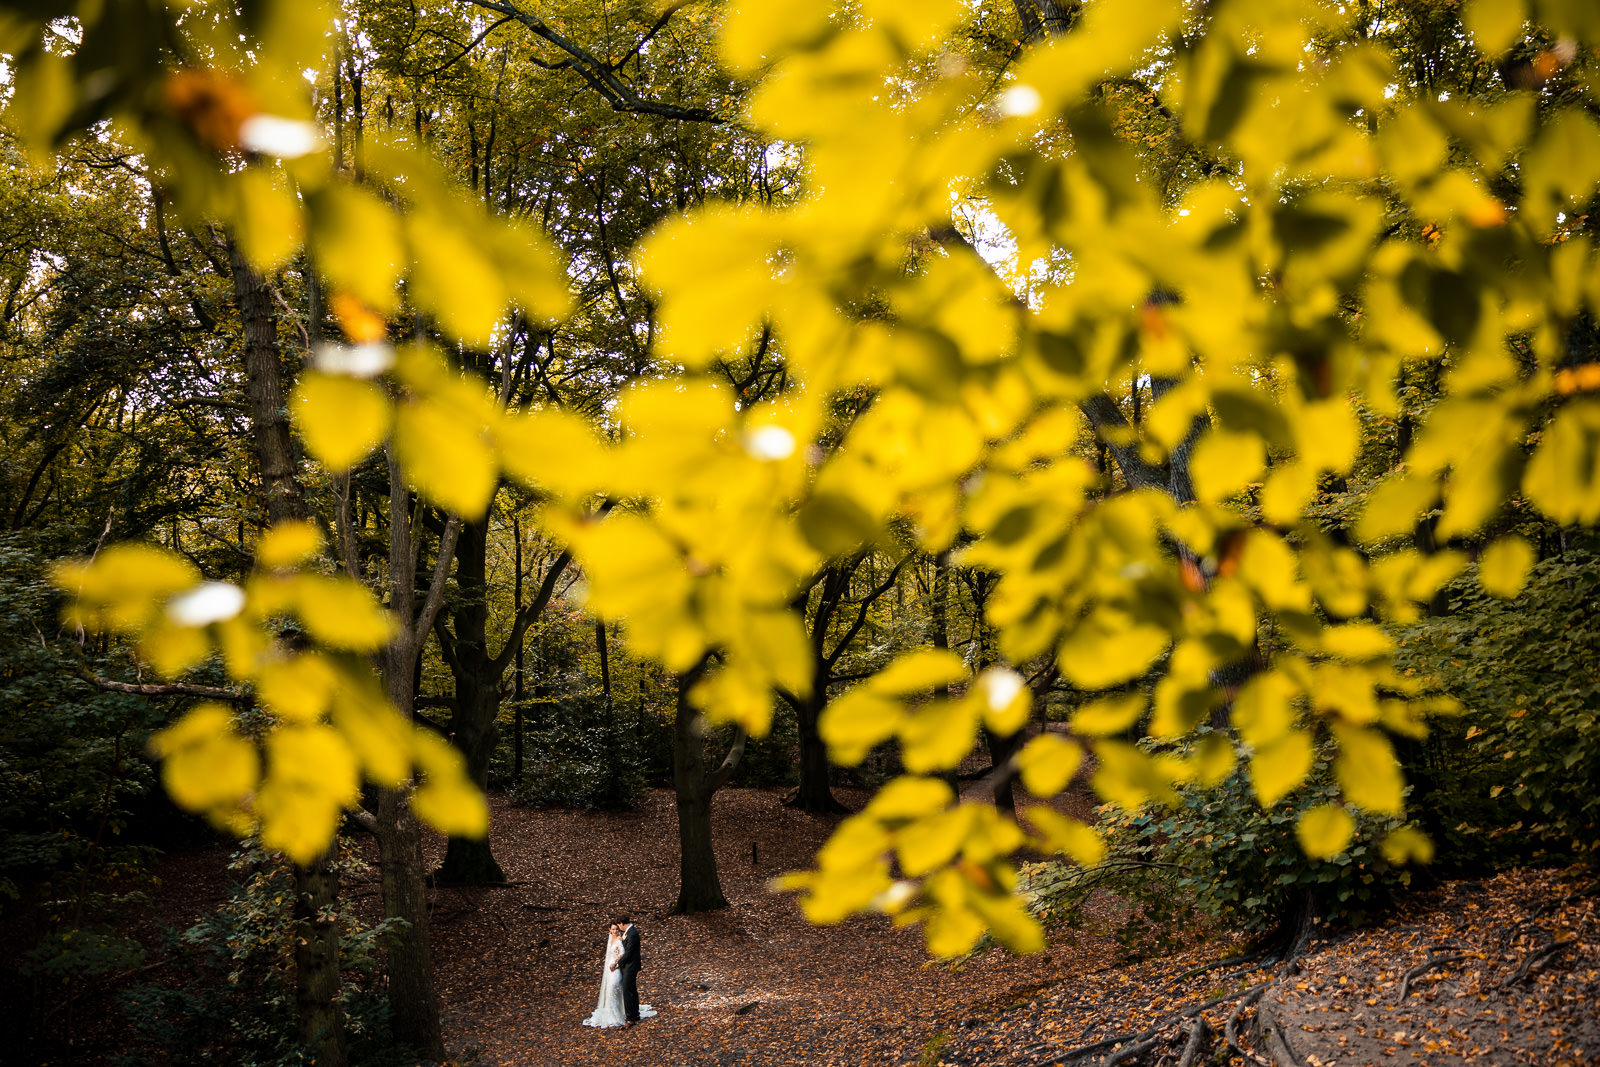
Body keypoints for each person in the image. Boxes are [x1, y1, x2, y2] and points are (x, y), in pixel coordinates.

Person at [583, 920, 653, 1028]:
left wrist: (616, 964)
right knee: (612, 990)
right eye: (613, 929)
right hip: (611, 968)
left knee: (615, 988)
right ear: (609, 930)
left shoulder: (621, 939)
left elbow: (623, 953)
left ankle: (621, 1015)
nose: (616, 931)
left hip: (617, 967)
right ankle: (613, 1013)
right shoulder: (611, 940)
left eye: (617, 928)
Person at [609, 915, 647, 1026]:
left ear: (622, 923)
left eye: (619, 925)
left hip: (630, 966)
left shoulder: (632, 933)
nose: (619, 928)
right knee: (632, 989)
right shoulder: (629, 933)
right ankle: (635, 1013)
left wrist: (617, 963)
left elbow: (629, 953)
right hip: (628, 966)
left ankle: (630, 1018)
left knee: (627, 991)